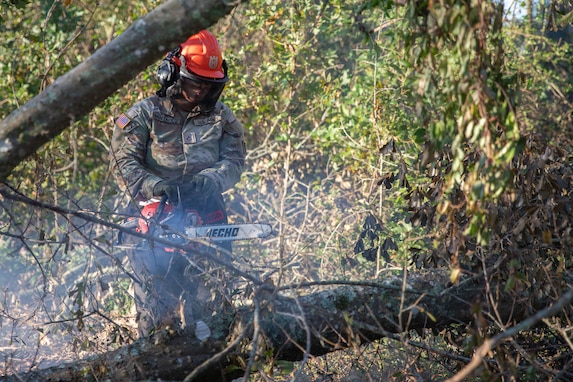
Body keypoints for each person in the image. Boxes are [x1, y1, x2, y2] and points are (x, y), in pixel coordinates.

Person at [110, 30, 246, 338]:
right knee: (159, 324)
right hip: (156, 218)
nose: (199, 91)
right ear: (171, 73)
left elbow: (234, 162)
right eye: (194, 82)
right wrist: (155, 186)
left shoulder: (222, 117)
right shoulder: (143, 115)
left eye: (207, 85)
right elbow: (123, 163)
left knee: (214, 322)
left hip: (206, 215)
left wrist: (209, 180)